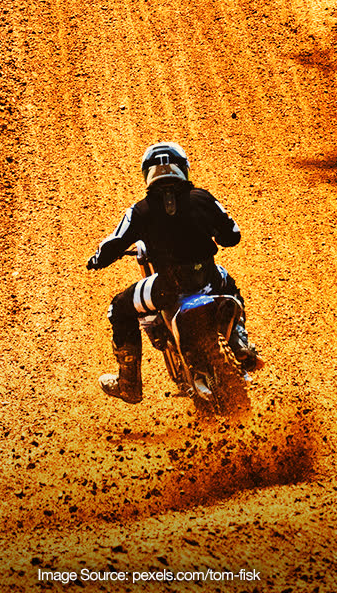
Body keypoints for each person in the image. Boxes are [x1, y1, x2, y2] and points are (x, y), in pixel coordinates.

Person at [85, 141, 262, 404]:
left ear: (147, 173)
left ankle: (129, 383)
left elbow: (113, 244)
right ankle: (239, 343)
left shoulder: (140, 210)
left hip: (167, 288)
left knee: (119, 308)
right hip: (208, 277)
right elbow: (232, 236)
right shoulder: (203, 198)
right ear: (183, 169)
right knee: (230, 287)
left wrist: (97, 260)